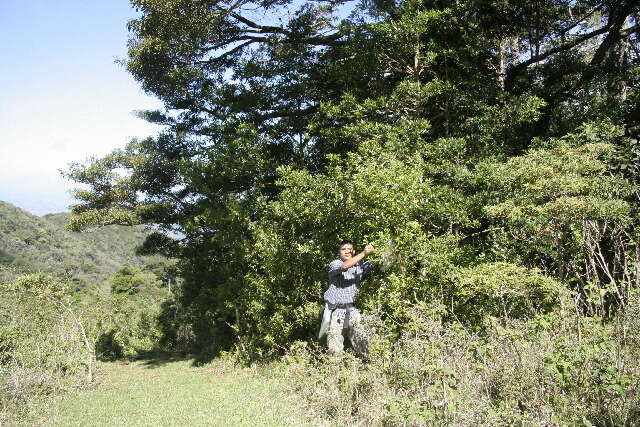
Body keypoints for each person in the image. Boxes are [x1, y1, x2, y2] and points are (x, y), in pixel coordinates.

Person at [318, 240, 375, 357]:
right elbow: (344, 266)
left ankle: (368, 367)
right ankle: (334, 371)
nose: (347, 251)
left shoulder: (360, 266)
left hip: (351, 311)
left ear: (353, 251)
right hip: (335, 312)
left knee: (363, 343)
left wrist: (387, 255)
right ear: (339, 252)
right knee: (334, 348)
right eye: (343, 249)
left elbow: (376, 263)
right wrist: (364, 253)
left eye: (349, 249)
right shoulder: (334, 264)